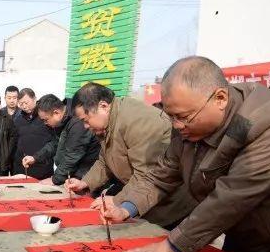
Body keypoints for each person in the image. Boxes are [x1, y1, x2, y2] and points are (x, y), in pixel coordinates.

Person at [101, 56, 270, 252]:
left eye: (183, 117)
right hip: (243, 232)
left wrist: (172, 243)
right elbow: (163, 173)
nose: (177, 126)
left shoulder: (269, 120)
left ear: (220, 98)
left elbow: (234, 195)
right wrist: (126, 208)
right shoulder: (187, 126)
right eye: (170, 116)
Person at [65, 82, 197, 229]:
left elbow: (147, 174)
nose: (85, 126)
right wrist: (85, 183)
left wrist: (117, 201)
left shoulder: (139, 121)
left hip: (167, 202)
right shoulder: (109, 123)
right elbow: (104, 161)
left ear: (103, 106)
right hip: (140, 196)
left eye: (85, 120)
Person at [22, 93, 100, 186]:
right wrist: (35, 157)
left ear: (56, 113)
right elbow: (55, 143)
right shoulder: (62, 122)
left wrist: (55, 179)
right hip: (73, 174)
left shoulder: (77, 123)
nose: (45, 123)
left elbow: (72, 155)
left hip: (86, 176)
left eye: (46, 120)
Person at [12, 87, 54, 179]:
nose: (23, 106)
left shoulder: (45, 117)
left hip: (43, 167)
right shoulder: (17, 119)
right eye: (21, 104)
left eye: (26, 103)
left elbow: (54, 141)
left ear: (34, 99)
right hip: (23, 167)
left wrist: (38, 157)